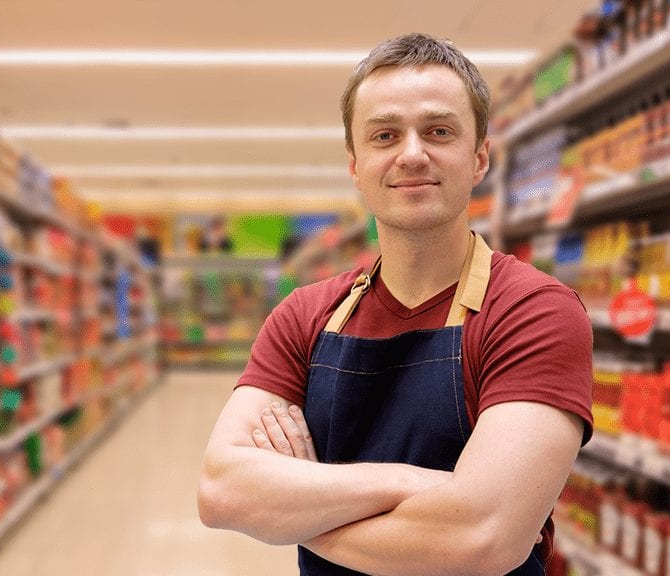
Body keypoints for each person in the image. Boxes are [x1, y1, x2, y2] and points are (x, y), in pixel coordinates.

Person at [197, 33, 593, 576]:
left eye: (439, 131)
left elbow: (482, 539)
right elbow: (221, 491)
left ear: (479, 158)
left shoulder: (533, 311)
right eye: (385, 135)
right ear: (356, 166)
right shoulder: (303, 316)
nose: (412, 153)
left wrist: (296, 509)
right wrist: (411, 484)